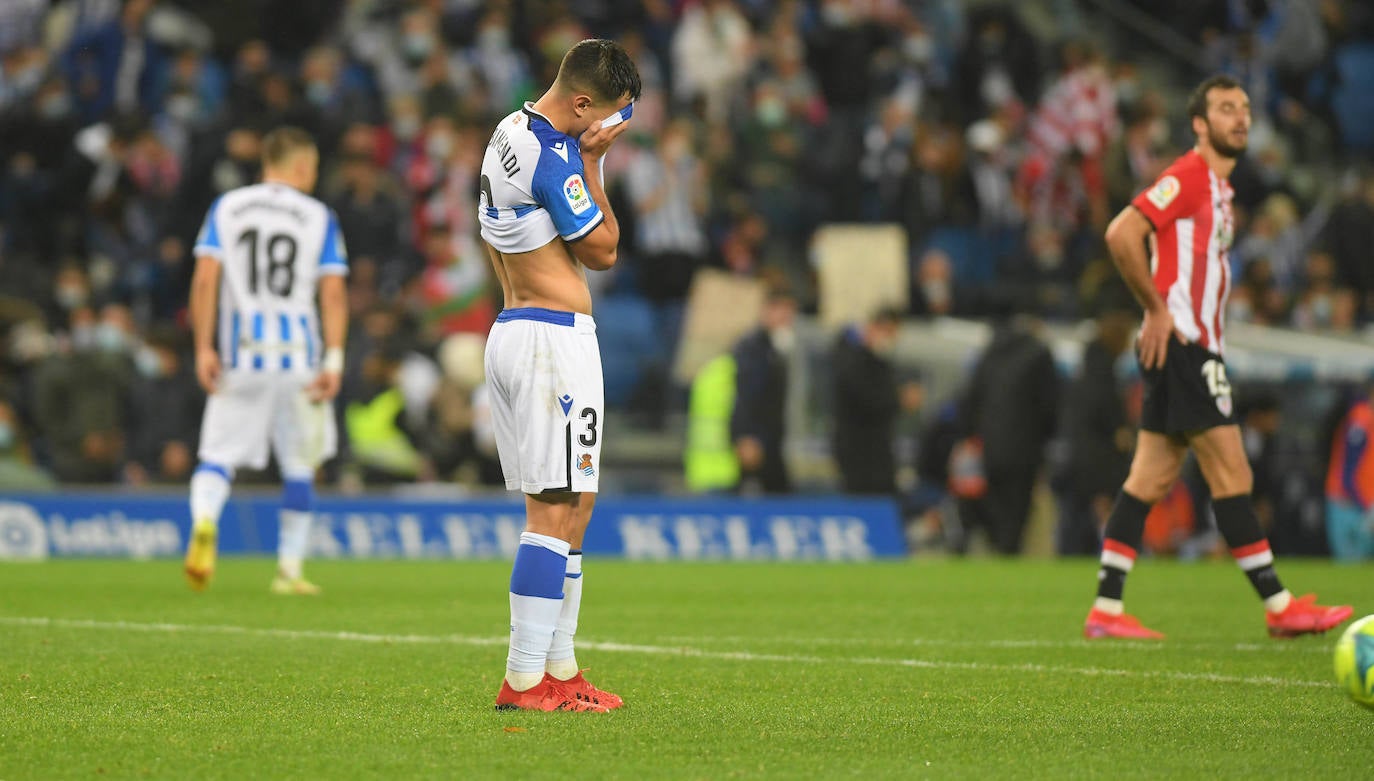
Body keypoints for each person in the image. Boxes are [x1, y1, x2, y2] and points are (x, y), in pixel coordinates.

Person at [1083, 75, 1351, 640]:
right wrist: (1155, 310)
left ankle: (1106, 610)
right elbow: (1121, 232)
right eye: (1226, 109)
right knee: (1233, 470)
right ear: (1200, 125)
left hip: (1185, 345)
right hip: (1184, 343)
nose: (1241, 118)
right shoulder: (1188, 177)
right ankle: (1279, 606)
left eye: (1246, 108)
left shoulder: (1222, 192)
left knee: (1149, 478)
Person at [477, 39, 640, 712]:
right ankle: (523, 679)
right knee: (551, 510)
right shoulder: (556, 153)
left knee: (576, 502)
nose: (606, 126)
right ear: (581, 102)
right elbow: (602, 249)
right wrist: (596, 163)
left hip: (518, 329)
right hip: (550, 344)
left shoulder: (506, 132)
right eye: (607, 114)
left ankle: (561, 668)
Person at [183, 127, 348, 597]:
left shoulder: (228, 207)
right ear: (299, 166)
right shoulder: (318, 216)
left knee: (217, 456)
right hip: (300, 359)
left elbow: (204, 280)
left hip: (243, 356)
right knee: (300, 463)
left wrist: (203, 347)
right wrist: (333, 360)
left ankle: (205, 521)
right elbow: (332, 293)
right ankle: (289, 570)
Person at [830, 308, 922, 495]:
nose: (889, 339)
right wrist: (899, 399)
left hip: (878, 453)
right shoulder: (852, 360)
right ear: (872, 328)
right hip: (858, 453)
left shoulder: (880, 362)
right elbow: (866, 399)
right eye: (886, 331)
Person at [730, 289, 797, 495]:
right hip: (756, 440)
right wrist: (746, 435)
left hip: (772, 437)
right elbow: (746, 394)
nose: (787, 318)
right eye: (782, 311)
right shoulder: (754, 348)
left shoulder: (776, 347)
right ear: (767, 311)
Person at [1325, 388, 1374, 561]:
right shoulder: (1361, 417)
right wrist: (1363, 503)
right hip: (1348, 500)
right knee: (1351, 559)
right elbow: (1349, 466)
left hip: (1360, 500)